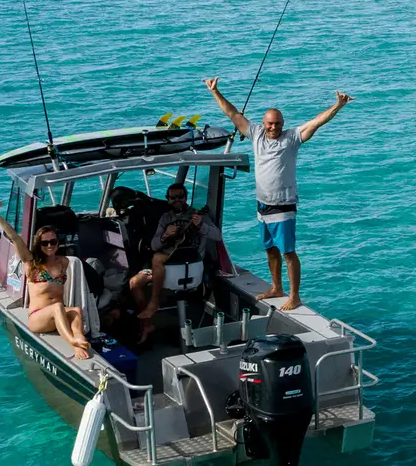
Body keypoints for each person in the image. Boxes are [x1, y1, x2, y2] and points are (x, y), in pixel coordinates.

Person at [203, 76, 351, 311]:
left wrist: (337, 106)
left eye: (278, 124)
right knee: (270, 249)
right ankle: (276, 287)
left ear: (283, 124)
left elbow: (315, 123)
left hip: (284, 206)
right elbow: (233, 114)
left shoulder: (292, 138)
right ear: (263, 124)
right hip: (262, 204)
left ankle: (294, 296)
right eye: (270, 124)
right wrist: (215, 91)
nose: (274, 128)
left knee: (288, 252)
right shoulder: (256, 135)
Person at [0, 198, 92, 360]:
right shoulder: (31, 262)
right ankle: (73, 341)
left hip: (58, 316)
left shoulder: (63, 262)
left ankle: (80, 339)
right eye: (45, 243)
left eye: (53, 242)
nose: (49, 245)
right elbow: (15, 238)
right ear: (39, 244)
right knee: (58, 306)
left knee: (76, 310)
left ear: (58, 243)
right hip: (38, 318)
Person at [133, 182, 217, 343]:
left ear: (186, 198)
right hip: (167, 269)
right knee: (134, 283)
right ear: (168, 199)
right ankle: (147, 325)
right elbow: (154, 245)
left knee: (157, 258)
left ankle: (154, 303)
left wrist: (201, 226)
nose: (177, 200)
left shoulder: (198, 215)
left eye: (181, 197)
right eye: (173, 198)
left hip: (191, 266)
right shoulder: (166, 218)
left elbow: (217, 236)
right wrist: (165, 235)